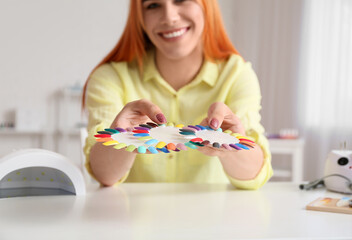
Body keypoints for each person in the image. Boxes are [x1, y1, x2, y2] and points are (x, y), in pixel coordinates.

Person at [82, 0, 273, 188]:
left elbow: (254, 175)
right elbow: (103, 176)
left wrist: (233, 145)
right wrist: (121, 137)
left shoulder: (237, 74)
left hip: (214, 217)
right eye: (153, 5)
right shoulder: (110, 77)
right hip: (132, 217)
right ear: (139, 17)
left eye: (181, 0)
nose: (170, 17)